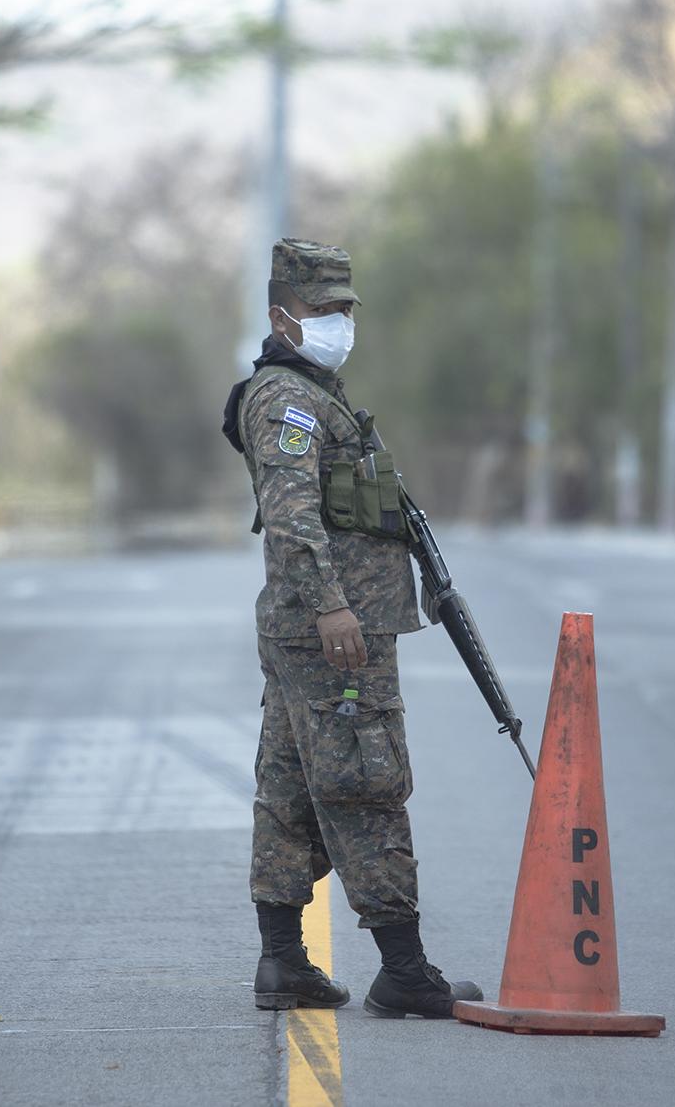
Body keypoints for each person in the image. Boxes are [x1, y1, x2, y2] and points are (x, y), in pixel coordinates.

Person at [220, 237, 483, 1019]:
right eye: (321, 308)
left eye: (343, 308)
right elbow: (295, 518)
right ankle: (404, 970)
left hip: (320, 629)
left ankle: (283, 962)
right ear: (281, 317)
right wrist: (334, 605)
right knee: (368, 784)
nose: (337, 320)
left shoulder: (316, 392)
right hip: (333, 633)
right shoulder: (289, 401)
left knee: (291, 789)